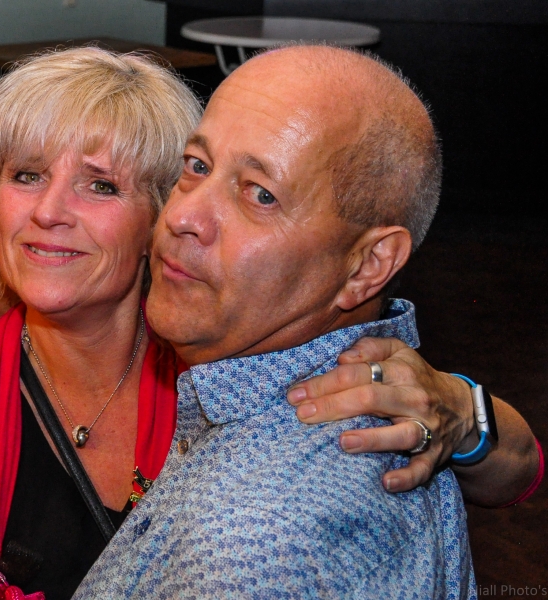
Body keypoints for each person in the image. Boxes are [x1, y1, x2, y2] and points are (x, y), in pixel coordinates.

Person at [0, 46, 541, 600]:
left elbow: (517, 469)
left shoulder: (226, 353)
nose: (48, 211)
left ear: (156, 217)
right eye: (26, 175)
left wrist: (465, 409)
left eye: (101, 185)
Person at [69, 45, 505, 597]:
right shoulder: (318, 403)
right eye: (197, 166)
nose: (181, 216)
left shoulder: (251, 547)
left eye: (260, 196)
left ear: (368, 265)